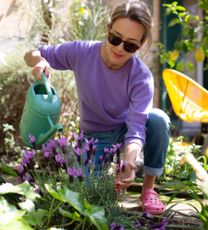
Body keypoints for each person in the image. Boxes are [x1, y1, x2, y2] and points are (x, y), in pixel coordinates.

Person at [24, 0, 170, 215]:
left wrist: (129, 164)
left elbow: (137, 127)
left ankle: (148, 189)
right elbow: (32, 54)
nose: (120, 48)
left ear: (141, 44)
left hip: (125, 130)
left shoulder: (140, 76)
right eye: (115, 38)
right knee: (87, 197)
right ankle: (108, 181)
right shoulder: (82, 52)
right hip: (95, 136)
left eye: (130, 45)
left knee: (158, 119)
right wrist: (40, 62)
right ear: (107, 30)